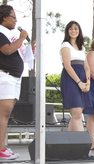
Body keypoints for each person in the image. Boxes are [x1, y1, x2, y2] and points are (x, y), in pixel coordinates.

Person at [0, 5, 35, 160]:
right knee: (4, 113)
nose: (16, 20)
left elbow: (18, 54)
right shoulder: (1, 33)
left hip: (14, 78)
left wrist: (29, 46)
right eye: (13, 17)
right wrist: (22, 38)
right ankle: (1, 149)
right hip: (5, 76)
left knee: (6, 114)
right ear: (4, 17)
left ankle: (3, 147)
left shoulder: (10, 34)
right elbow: (7, 50)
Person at [60, 21, 92, 132]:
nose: (73, 31)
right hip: (71, 80)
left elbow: (87, 67)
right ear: (67, 31)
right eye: (71, 29)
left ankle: (69, 142)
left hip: (83, 79)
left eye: (76, 28)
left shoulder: (81, 47)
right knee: (77, 113)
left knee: (77, 114)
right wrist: (79, 83)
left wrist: (87, 82)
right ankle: (82, 144)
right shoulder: (65, 45)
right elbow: (68, 66)